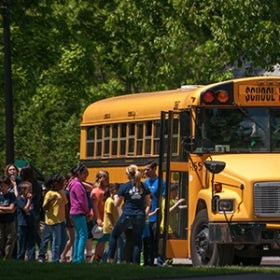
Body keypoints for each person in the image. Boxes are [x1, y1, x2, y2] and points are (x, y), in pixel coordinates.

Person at [107, 164, 150, 265]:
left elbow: (117, 204)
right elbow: (148, 203)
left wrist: (115, 197)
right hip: (140, 215)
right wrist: (145, 214)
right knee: (137, 240)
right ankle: (135, 263)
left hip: (127, 214)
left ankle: (110, 259)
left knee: (114, 234)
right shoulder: (144, 186)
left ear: (129, 175)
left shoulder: (124, 186)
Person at [143, 160, 166, 266]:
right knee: (148, 241)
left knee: (158, 240)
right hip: (148, 216)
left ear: (154, 169)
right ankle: (149, 262)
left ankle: (160, 261)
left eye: (147, 169)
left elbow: (165, 198)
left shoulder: (162, 182)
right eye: (144, 170)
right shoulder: (145, 183)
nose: (145, 172)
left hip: (157, 216)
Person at [40, 174, 68, 262]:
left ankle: (58, 255)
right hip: (52, 221)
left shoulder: (62, 192)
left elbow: (65, 205)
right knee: (56, 241)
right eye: (61, 182)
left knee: (64, 240)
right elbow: (45, 208)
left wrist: (68, 218)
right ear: (55, 183)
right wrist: (49, 200)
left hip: (61, 220)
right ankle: (55, 259)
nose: (63, 184)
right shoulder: (49, 193)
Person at [68, 163, 90, 263]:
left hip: (74, 212)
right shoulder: (77, 185)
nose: (86, 176)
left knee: (77, 235)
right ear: (78, 173)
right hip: (79, 212)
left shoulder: (73, 184)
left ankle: (76, 257)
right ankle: (79, 258)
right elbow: (82, 200)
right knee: (83, 235)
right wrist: (87, 211)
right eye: (84, 173)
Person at [20, 166, 43, 257]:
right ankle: (40, 251)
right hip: (35, 209)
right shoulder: (37, 184)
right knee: (35, 232)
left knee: (33, 233)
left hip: (32, 209)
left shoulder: (29, 184)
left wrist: (30, 203)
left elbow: (35, 198)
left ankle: (40, 251)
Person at [101, 183, 124, 263]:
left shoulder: (112, 201)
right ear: (114, 191)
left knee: (113, 244)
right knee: (119, 242)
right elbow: (109, 213)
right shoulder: (110, 201)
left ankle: (104, 259)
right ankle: (118, 260)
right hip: (111, 226)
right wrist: (114, 225)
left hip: (113, 225)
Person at [90, 170, 109, 262]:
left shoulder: (104, 190)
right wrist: (98, 218)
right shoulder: (96, 191)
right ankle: (96, 257)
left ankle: (99, 257)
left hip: (104, 217)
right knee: (101, 238)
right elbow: (94, 206)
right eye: (105, 178)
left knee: (104, 239)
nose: (107, 180)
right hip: (98, 217)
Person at [17, 181, 36, 260]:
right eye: (29, 189)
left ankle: (31, 259)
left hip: (31, 224)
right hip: (23, 224)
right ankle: (20, 258)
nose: (31, 191)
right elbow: (25, 209)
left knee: (31, 243)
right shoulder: (20, 199)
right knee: (22, 243)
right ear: (23, 190)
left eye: (31, 189)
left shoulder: (31, 199)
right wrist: (29, 200)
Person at [0, 175, 17, 259]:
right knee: (1, 239)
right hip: (1, 221)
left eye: (4, 186)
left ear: (8, 186)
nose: (2, 188)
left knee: (10, 239)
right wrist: (6, 209)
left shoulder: (11, 196)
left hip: (10, 221)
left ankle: (7, 257)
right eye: (1, 186)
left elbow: (11, 209)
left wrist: (1, 208)